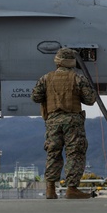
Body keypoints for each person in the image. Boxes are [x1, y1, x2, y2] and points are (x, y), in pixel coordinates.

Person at [31, 47, 97, 199]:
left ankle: (50, 189)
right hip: (73, 121)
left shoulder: (45, 78)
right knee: (75, 154)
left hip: (53, 121)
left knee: (53, 153)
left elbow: (35, 97)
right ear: (71, 63)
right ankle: (72, 189)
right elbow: (90, 100)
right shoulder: (78, 78)